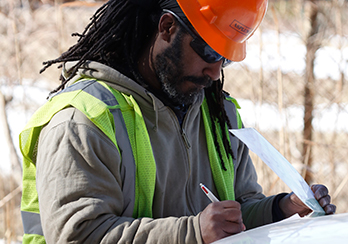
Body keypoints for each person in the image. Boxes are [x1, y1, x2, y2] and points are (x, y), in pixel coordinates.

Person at [19, 0, 336, 243]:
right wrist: (193, 232)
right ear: (167, 28)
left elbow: (238, 212)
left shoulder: (219, 115)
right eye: (210, 52)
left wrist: (280, 208)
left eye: (226, 58)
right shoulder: (83, 119)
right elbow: (79, 234)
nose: (215, 73)